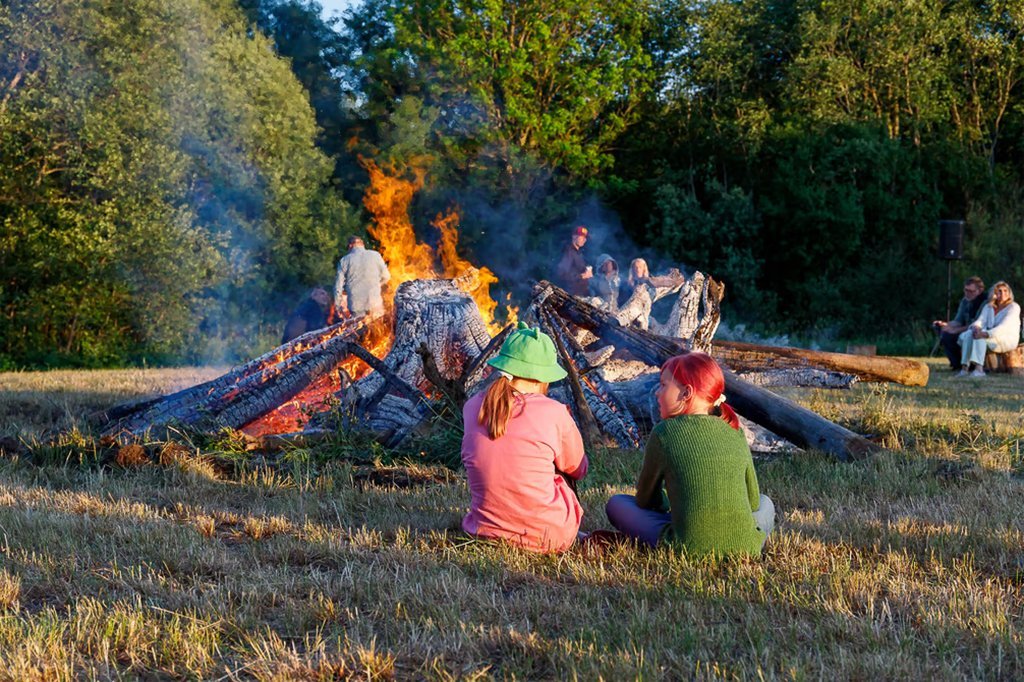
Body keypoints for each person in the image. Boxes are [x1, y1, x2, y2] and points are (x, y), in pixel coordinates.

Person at [605, 352, 774, 556]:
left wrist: (672, 504)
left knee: (617, 504)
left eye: (663, 385)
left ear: (686, 392)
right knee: (766, 503)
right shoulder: (735, 431)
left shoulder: (664, 432)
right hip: (747, 547)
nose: (657, 393)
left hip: (685, 547)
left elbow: (646, 500)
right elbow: (753, 502)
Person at [461, 322, 588, 553]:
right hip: (550, 539)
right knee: (557, 462)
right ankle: (551, 525)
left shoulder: (471, 407)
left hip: (484, 531)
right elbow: (577, 469)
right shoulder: (554, 411)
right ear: (542, 378)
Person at [957, 281, 1021, 377]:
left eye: (1005, 291)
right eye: (999, 291)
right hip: (992, 336)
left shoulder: (1013, 307)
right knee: (970, 334)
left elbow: (1003, 327)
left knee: (980, 337)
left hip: (1006, 338)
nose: (1003, 293)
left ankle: (979, 370)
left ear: (1009, 293)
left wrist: (985, 334)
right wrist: (976, 327)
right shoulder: (988, 306)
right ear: (994, 293)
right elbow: (980, 320)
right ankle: (964, 369)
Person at [933, 276, 986, 371]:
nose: (968, 294)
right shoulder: (965, 301)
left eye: (971, 291)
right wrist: (945, 325)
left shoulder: (984, 303)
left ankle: (972, 364)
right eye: (966, 290)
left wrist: (955, 330)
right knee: (945, 334)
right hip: (966, 329)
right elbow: (958, 320)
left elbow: (977, 324)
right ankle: (956, 364)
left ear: (980, 290)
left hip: (978, 331)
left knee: (957, 334)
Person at [334, 235, 391, 317]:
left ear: (350, 246)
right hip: (374, 302)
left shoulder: (344, 260)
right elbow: (386, 276)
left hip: (356, 305)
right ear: (363, 244)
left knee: (360, 325)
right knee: (378, 324)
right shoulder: (376, 255)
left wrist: (338, 306)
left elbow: (338, 287)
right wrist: (376, 285)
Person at [555, 225, 593, 297]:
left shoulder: (578, 253)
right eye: (582, 237)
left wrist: (587, 273)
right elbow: (561, 273)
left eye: (585, 238)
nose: (584, 240)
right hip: (571, 295)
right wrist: (582, 276)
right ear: (574, 236)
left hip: (580, 294)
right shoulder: (568, 252)